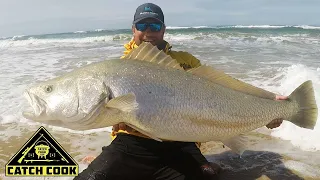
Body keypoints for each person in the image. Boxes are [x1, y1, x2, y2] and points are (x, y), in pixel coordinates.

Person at [75, 3, 286, 180]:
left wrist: (267, 101)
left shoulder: (186, 62)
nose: (149, 31)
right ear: (133, 29)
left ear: (163, 29)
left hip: (181, 142)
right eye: (143, 25)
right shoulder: (120, 68)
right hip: (133, 144)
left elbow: (221, 91)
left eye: (155, 25)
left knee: (209, 176)